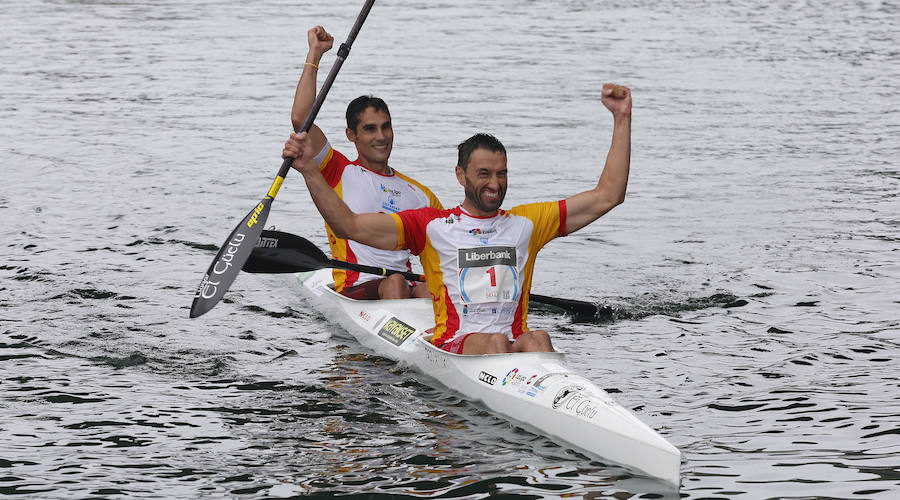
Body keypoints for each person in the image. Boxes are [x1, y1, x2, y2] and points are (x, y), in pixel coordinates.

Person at [284, 83, 632, 355]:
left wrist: (621, 119)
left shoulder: (528, 222)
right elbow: (350, 226)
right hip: (457, 345)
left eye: (501, 174)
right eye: (483, 174)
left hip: (510, 343)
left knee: (538, 337)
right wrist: (310, 172)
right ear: (460, 175)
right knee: (487, 338)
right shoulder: (432, 225)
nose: (494, 184)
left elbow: (609, 195)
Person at [291, 25, 442, 300]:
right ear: (352, 135)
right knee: (396, 282)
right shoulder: (337, 170)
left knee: (431, 288)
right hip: (356, 287)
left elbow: (445, 252)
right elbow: (302, 120)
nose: (381, 137)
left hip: (403, 286)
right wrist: (315, 55)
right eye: (371, 129)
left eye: (386, 127)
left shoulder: (422, 195)